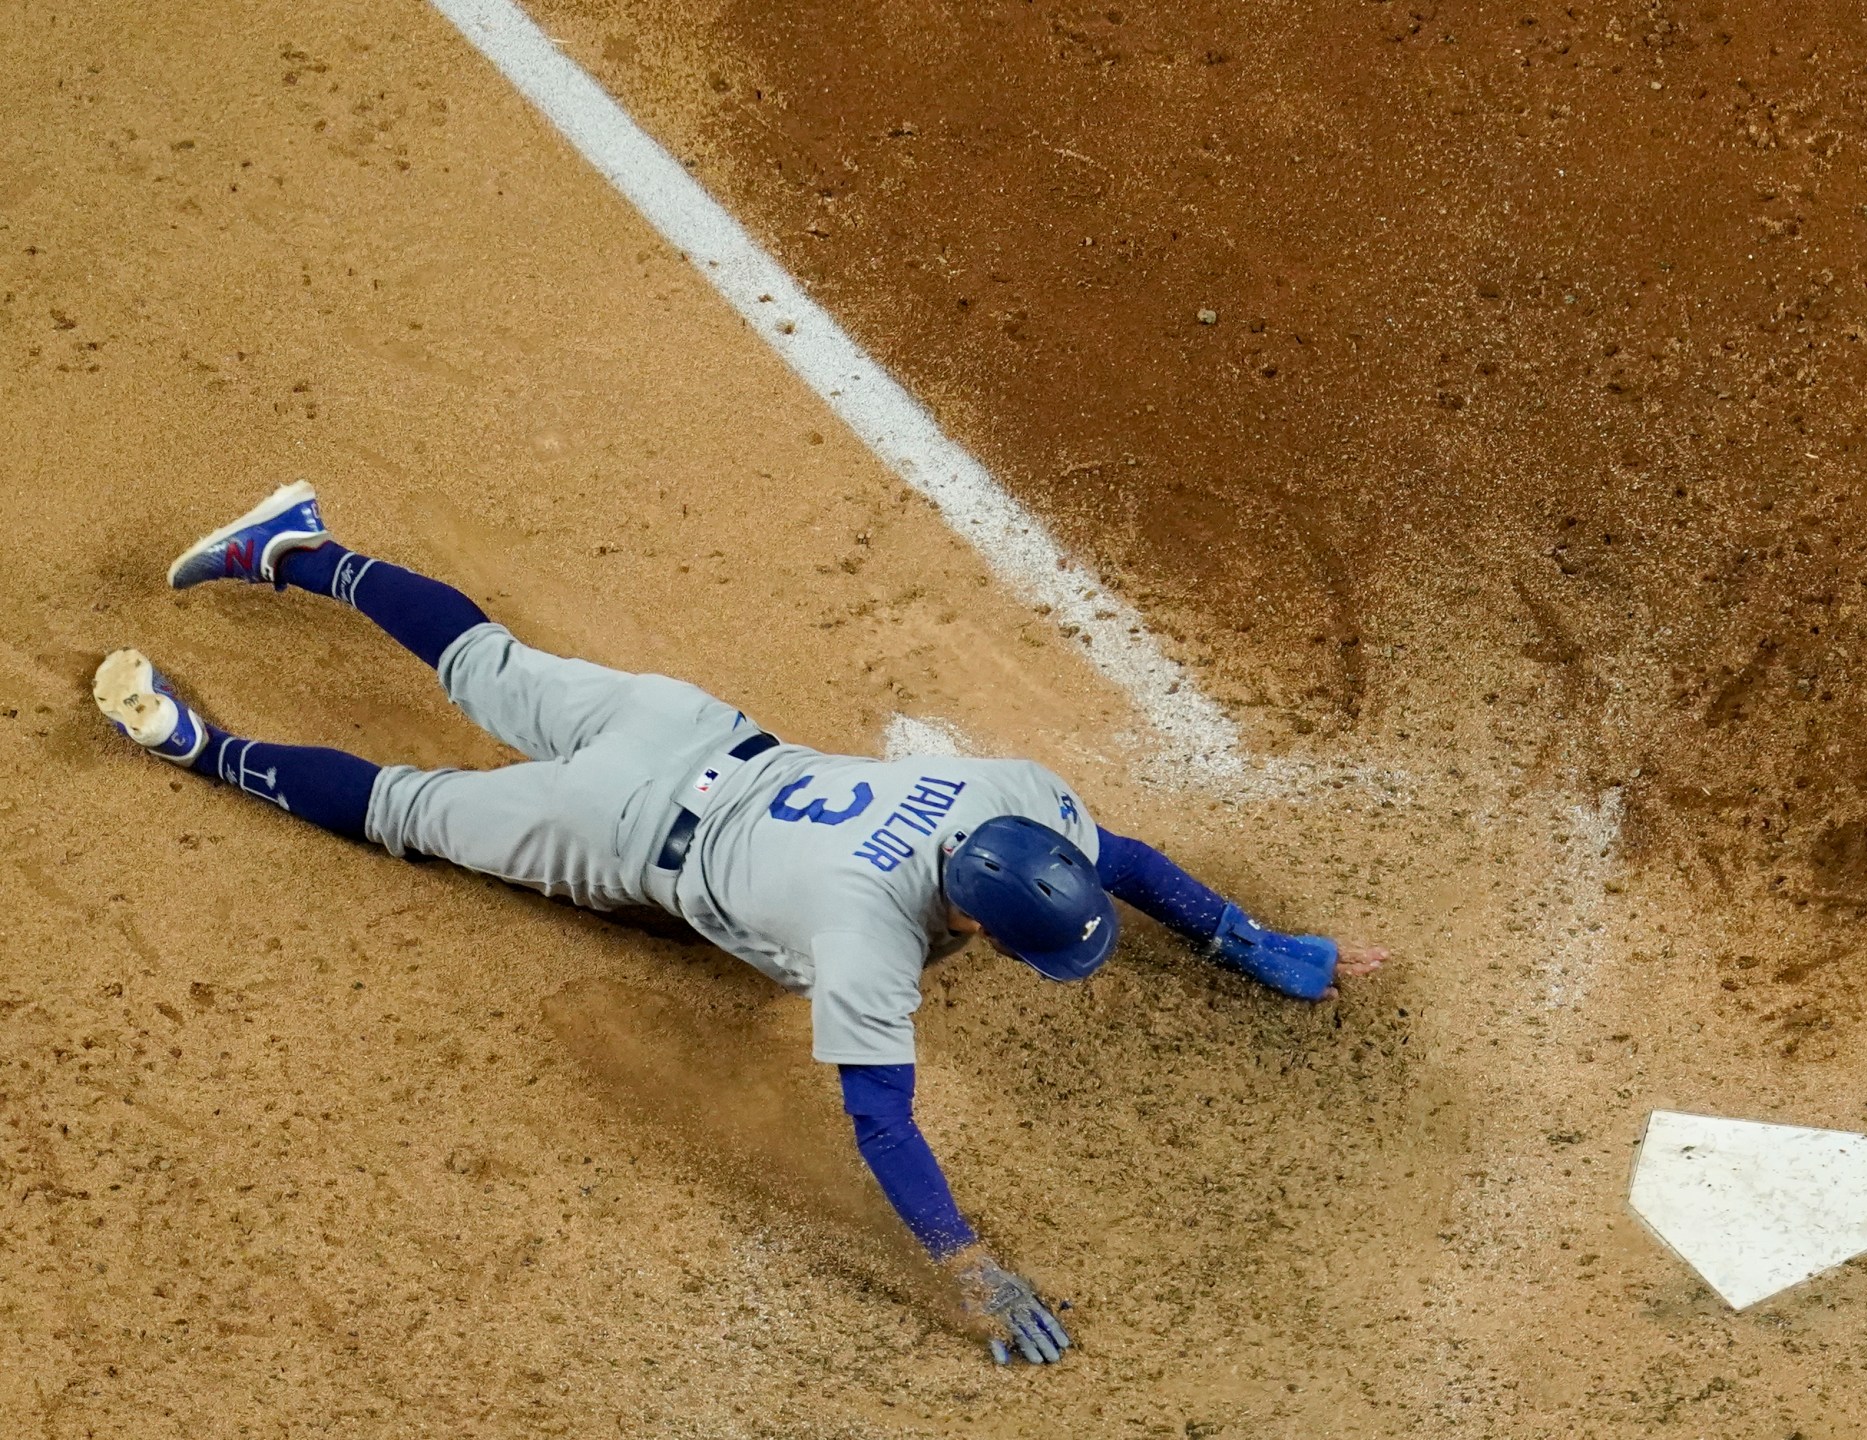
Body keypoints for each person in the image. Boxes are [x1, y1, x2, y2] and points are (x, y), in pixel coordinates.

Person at [94, 481, 1387, 1363]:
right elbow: (879, 1120)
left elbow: (1123, 859)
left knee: (482, 663)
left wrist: (1240, 936)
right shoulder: (866, 938)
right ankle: (197, 747)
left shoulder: (1000, 805)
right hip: (616, 831)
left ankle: (295, 542)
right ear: (979, 929)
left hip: (684, 723)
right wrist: (969, 1268)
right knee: (412, 811)